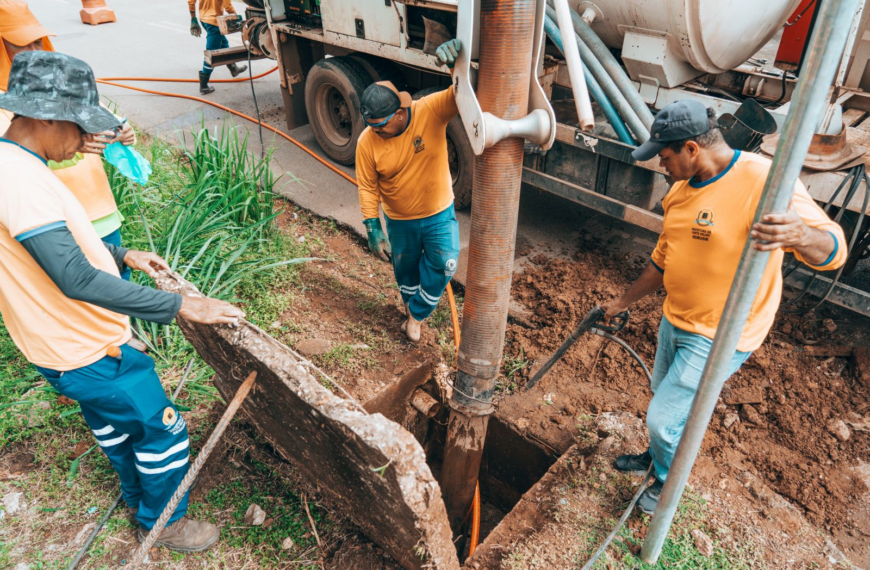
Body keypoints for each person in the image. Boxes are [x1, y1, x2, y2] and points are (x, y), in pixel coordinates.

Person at [0, 51, 246, 552]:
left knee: (112, 426)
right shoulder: (20, 181)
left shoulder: (19, 163)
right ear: (46, 117)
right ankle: (163, 521)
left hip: (60, 346)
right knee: (164, 431)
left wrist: (123, 252)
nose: (86, 141)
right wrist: (180, 306)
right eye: (80, 127)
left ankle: (135, 492)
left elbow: (57, 246)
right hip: (87, 349)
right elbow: (72, 276)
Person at [601, 100, 847, 514]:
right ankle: (659, 458)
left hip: (721, 334)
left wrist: (802, 235)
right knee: (664, 398)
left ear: (692, 149)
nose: (661, 165)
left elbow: (834, 248)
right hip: (675, 317)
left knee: (663, 419)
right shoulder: (679, 192)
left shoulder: (762, 179)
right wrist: (620, 302)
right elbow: (663, 259)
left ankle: (666, 483)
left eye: (664, 157)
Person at [0, 0, 136, 280]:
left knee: (118, 285)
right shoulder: (7, 103)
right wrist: (75, 146)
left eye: (38, 41)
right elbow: (15, 162)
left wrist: (122, 131)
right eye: (20, 45)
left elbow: (106, 117)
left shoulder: (57, 77)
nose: (34, 53)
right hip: (51, 222)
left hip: (101, 209)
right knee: (84, 292)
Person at [356, 39, 462, 342]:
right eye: (371, 125)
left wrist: (457, 65)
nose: (375, 131)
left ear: (401, 112)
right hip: (400, 220)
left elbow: (465, 94)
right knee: (406, 272)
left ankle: (416, 316)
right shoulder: (367, 142)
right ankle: (410, 308)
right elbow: (367, 185)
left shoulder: (431, 110)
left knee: (445, 264)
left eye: (381, 125)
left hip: (438, 213)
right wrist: (372, 225)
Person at [189, 0, 246, 95]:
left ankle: (233, 68)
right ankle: (204, 86)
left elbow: (191, 1)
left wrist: (193, 19)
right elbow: (227, 6)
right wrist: (235, 17)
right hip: (214, 22)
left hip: (204, 20)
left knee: (224, 43)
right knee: (211, 54)